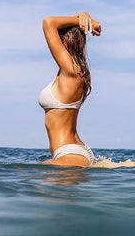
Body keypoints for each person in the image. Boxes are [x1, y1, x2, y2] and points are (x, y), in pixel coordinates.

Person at [39, 12, 101, 165]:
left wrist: (88, 21)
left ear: (64, 40)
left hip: (70, 154)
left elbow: (48, 22)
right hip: (74, 151)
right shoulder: (74, 71)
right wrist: (83, 16)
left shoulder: (71, 71)